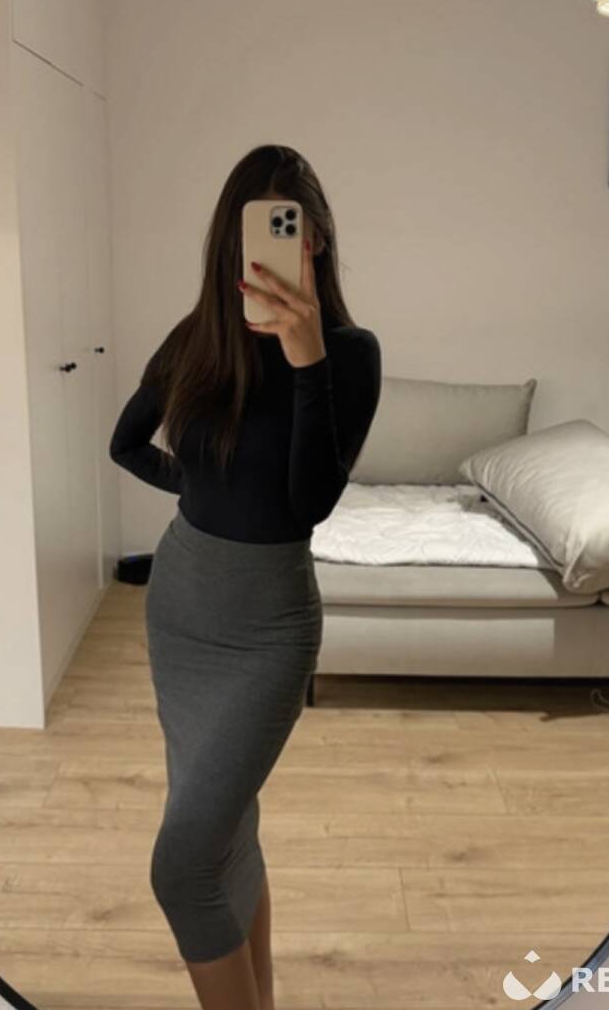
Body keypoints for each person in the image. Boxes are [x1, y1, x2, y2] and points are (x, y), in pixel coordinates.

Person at [109, 143, 382, 1010]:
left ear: (316, 241)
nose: (269, 249)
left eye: (287, 230)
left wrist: (306, 363)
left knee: (183, 862)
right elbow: (124, 443)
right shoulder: (194, 341)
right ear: (229, 245)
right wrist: (197, 487)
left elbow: (309, 505)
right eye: (253, 232)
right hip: (181, 611)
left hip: (268, 630)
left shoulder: (350, 355)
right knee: (225, 827)